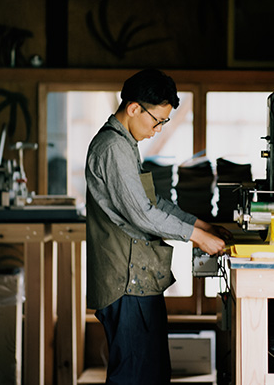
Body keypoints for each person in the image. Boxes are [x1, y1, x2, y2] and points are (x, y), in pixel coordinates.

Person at [85, 69, 232, 385]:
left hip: (137, 279)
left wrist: (202, 225)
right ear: (134, 108)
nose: (158, 129)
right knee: (134, 376)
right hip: (125, 282)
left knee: (150, 373)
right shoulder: (112, 147)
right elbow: (141, 214)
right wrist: (198, 238)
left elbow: (153, 202)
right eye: (157, 121)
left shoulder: (126, 144)